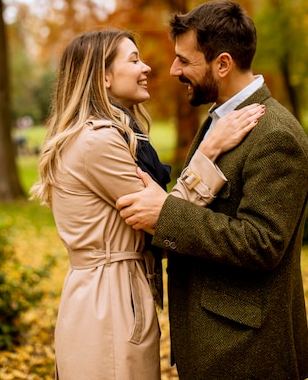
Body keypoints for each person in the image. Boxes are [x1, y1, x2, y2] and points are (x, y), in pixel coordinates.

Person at [30, 29, 264, 380]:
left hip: (107, 295)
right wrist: (209, 150)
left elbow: (158, 215)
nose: (148, 68)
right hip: (109, 304)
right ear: (103, 77)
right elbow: (161, 220)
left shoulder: (105, 134)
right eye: (134, 59)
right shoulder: (99, 141)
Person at [117, 0, 308, 380]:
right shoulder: (220, 120)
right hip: (215, 344)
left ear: (222, 64)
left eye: (185, 61)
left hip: (247, 353)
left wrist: (166, 216)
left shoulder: (275, 135)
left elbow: (263, 242)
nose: (174, 69)